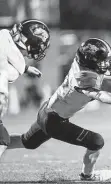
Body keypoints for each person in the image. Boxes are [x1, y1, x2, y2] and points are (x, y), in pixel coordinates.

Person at [7, 38, 111, 182]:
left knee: (27, 142)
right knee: (96, 141)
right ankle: (87, 176)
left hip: (47, 111)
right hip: (54, 121)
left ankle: (1, 142)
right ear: (91, 61)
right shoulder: (83, 77)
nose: (106, 63)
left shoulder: (87, 66)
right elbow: (98, 94)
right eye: (102, 60)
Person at [0, 19, 50, 159]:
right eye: (39, 44)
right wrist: (24, 68)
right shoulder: (4, 38)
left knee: (3, 139)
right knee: (2, 141)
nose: (39, 47)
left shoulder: (6, 42)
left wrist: (26, 68)